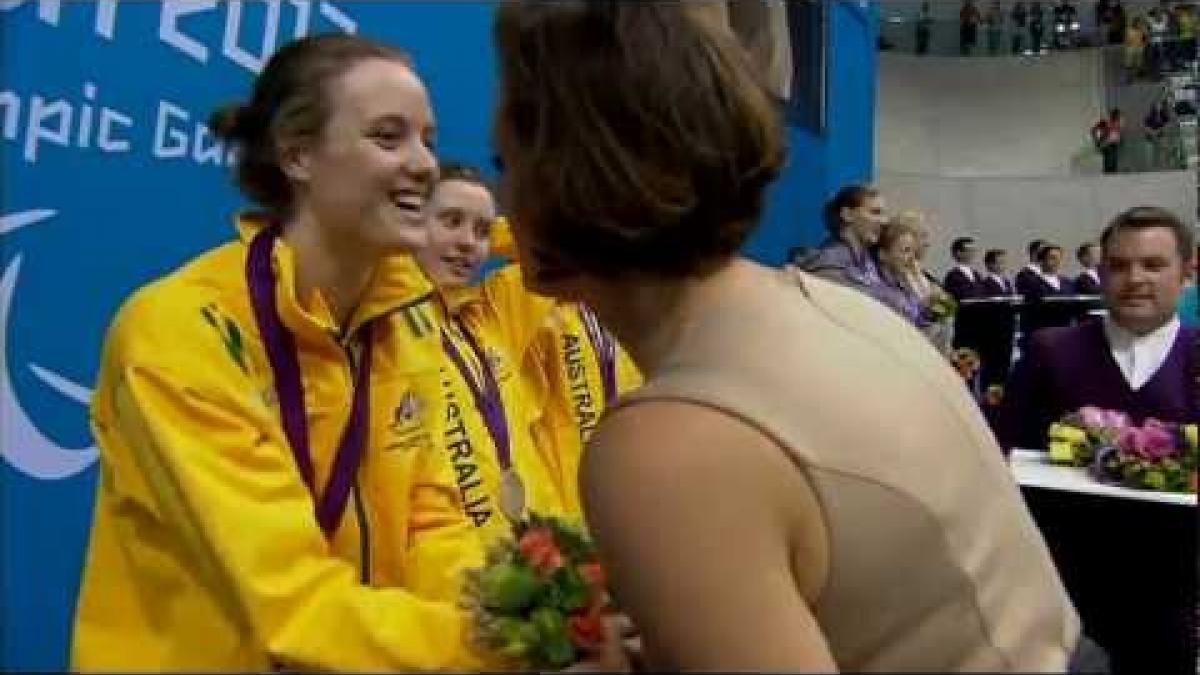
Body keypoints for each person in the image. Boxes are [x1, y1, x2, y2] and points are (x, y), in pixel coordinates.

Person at [493, 3, 1096, 671]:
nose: (501, 197)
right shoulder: (836, 307)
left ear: (568, 181)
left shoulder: (663, 447)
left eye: (507, 162)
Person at [71, 34, 489, 671]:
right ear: (298, 155)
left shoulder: (408, 323)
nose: (425, 164)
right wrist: (497, 655)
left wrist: (514, 617)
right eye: (388, 136)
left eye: (428, 139)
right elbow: (288, 608)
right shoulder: (179, 330)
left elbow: (430, 524)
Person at [999, 206, 1197, 451]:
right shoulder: (1050, 352)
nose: (1135, 279)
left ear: (1187, 273)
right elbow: (1006, 456)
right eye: (1118, 266)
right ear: (1101, 274)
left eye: (1153, 265)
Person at [800, 185, 913, 318]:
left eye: (884, 214)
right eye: (875, 212)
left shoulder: (872, 263)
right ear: (847, 215)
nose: (884, 221)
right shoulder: (829, 264)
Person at [943, 236, 983, 300]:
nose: (973, 253)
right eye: (969, 250)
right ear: (959, 253)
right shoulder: (953, 276)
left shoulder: (977, 275)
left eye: (974, 250)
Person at [1090, 108, 1123, 174]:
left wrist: (1119, 140)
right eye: (1118, 116)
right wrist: (1097, 139)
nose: (1119, 118)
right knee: (1108, 161)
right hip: (1107, 144)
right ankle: (1107, 174)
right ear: (1114, 115)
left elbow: (1117, 134)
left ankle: (1113, 174)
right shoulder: (1105, 122)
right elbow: (1094, 130)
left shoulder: (1117, 123)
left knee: (1114, 161)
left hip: (1114, 144)